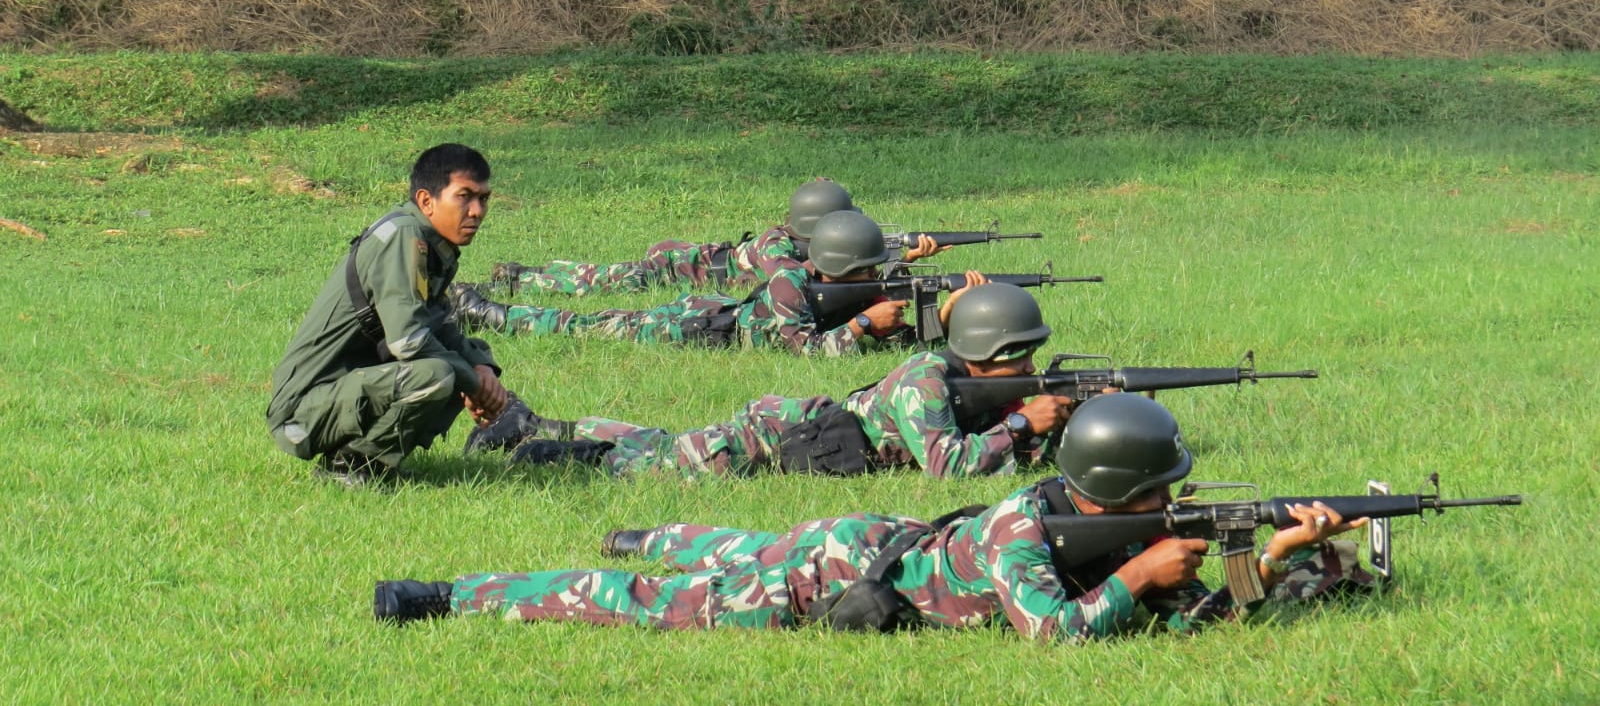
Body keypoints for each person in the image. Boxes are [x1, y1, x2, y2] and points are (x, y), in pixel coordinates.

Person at [373, 394, 1373, 632]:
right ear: (1116, 498)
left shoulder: (1087, 509)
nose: (1172, 509)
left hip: (873, 530)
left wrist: (1286, 555)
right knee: (642, 598)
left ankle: (652, 527)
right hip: (843, 573)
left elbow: (1186, 604)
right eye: (1159, 496)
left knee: (732, 542)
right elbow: (1058, 634)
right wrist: (1134, 579)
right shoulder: (1024, 536)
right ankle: (445, 596)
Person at [470, 282, 1077, 476]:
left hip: (814, 429)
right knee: (657, 464)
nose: (1025, 371)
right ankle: (549, 449)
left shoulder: (966, 376)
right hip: (784, 435)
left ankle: (534, 423)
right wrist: (1024, 422)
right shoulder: (925, 379)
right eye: (1016, 358)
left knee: (659, 441)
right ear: (979, 350)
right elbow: (946, 464)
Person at [266, 144, 510, 486]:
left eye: (483, 198)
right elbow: (409, 341)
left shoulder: (430, 242)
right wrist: (473, 384)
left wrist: (482, 369)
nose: (476, 211)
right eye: (464, 196)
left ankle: (374, 463)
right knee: (437, 372)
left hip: (341, 391)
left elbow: (437, 324)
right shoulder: (402, 237)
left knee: (470, 354)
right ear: (426, 201)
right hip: (302, 413)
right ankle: (351, 465)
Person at [449, 210, 927, 359]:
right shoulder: (789, 282)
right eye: (867, 270)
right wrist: (864, 324)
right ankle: (491, 313)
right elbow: (806, 350)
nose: (874, 278)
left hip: (714, 308)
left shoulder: (826, 281)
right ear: (841, 270)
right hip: (694, 326)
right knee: (592, 326)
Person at [485, 178, 864, 298]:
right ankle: (521, 278)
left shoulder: (797, 242)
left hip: (695, 260)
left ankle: (527, 273)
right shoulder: (775, 244)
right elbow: (790, 280)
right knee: (599, 280)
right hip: (681, 270)